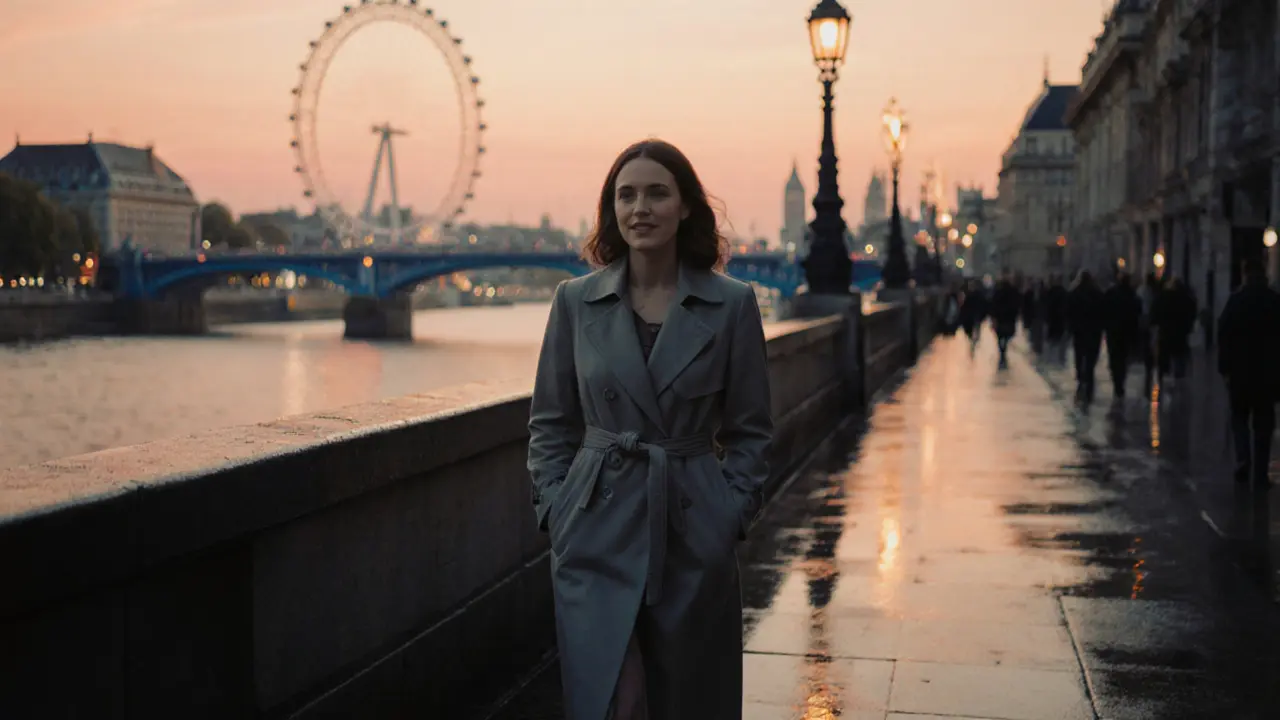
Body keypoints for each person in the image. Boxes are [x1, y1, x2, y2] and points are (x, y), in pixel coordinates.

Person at [527, 139, 773, 719]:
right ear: (611, 209)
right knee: (615, 699)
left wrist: (727, 515)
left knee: (684, 698)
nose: (640, 207)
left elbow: (752, 431)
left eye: (657, 193)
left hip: (689, 523)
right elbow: (550, 422)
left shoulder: (733, 304)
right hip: (594, 528)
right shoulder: (574, 302)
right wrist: (556, 510)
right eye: (626, 194)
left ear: (686, 206)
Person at [1217, 258, 1280, 486]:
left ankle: (1243, 458)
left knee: (1239, 418)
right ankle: (1261, 473)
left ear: (1245, 275)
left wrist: (1224, 368)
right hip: (1268, 374)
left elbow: (1223, 335)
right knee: (1264, 424)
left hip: (1240, 372)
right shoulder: (1274, 301)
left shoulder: (1236, 301)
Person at [1101, 271, 1142, 398]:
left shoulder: (1111, 293)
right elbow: (1137, 313)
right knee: (1123, 358)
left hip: (1113, 331)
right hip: (1127, 331)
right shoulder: (1132, 295)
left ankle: (1117, 381)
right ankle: (1120, 382)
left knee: (1114, 357)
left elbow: (1104, 309)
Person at [1067, 270, 1105, 398]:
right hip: (1094, 330)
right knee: (1091, 357)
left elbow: (1069, 312)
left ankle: (1080, 377)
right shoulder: (1098, 294)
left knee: (1079, 354)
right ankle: (1088, 377)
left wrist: (1070, 327)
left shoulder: (1074, 293)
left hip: (1079, 330)